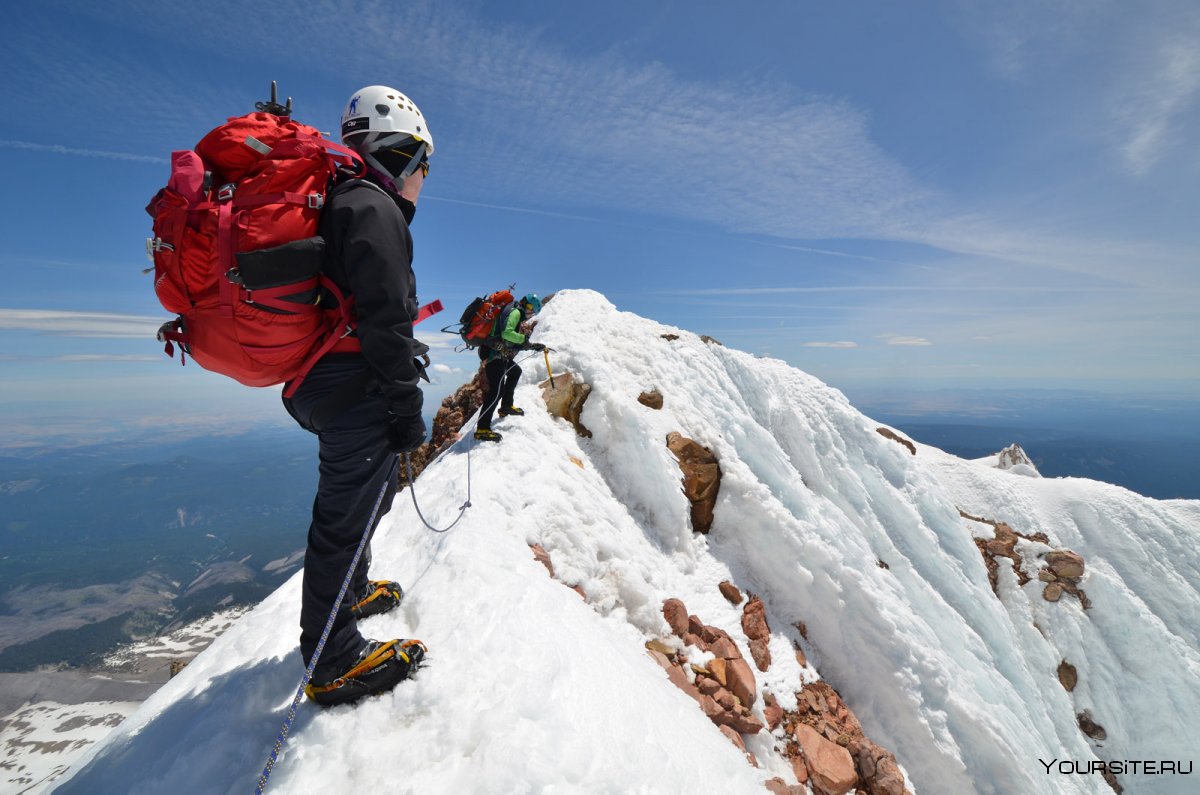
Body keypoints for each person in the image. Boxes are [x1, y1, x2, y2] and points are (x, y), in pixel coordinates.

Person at [281, 85, 433, 706]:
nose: (426, 179)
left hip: (323, 380)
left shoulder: (344, 202)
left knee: (362, 501)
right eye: (424, 164)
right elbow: (385, 318)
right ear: (401, 155)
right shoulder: (373, 208)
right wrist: (405, 405)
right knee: (342, 521)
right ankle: (332, 659)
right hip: (355, 387)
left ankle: (351, 592)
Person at [474, 293, 545, 443]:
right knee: (496, 391)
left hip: (499, 355)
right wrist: (523, 339)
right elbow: (507, 334)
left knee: (515, 372)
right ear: (527, 306)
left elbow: (511, 340)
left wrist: (532, 346)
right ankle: (482, 429)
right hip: (495, 357)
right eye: (531, 310)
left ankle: (506, 406)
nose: (530, 313)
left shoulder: (514, 311)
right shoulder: (516, 312)